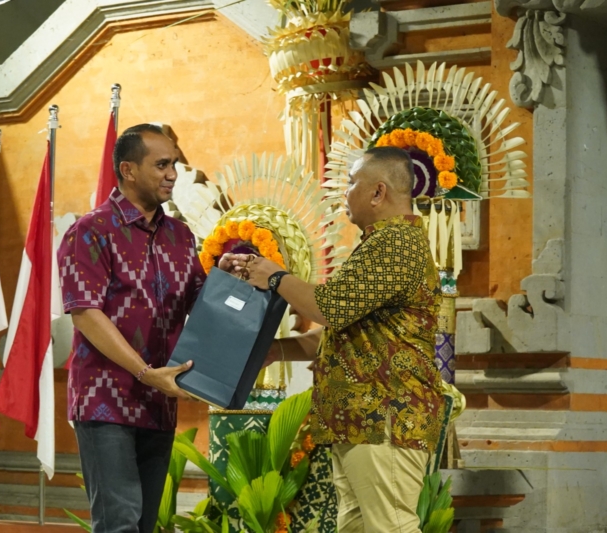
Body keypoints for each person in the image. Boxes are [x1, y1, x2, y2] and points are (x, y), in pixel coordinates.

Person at [227, 146, 446, 533]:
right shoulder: (380, 244)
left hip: (385, 418)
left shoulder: (396, 243)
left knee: (391, 527)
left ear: (378, 192)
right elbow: (337, 334)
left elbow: (330, 308)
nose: (344, 193)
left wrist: (276, 277)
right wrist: (275, 351)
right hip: (361, 422)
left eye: (350, 183)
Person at [57, 124, 205, 533]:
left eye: (174, 163)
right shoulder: (89, 230)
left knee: (142, 526)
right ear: (128, 170)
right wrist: (144, 373)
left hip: (159, 401)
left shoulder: (181, 236)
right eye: (161, 164)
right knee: (118, 524)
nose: (173, 173)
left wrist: (233, 278)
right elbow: (85, 313)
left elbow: (201, 302)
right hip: (106, 400)